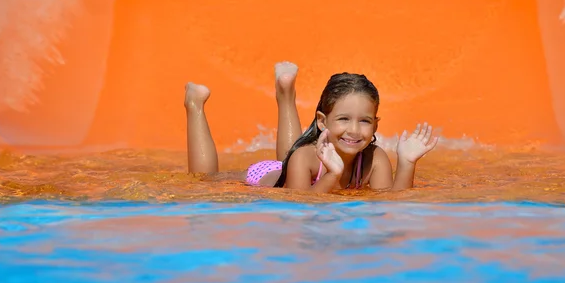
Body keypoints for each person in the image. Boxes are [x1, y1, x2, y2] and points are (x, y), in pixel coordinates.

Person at [184, 62, 438, 193]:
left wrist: (407, 163)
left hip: (298, 165)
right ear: (321, 121)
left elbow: (391, 204)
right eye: (343, 119)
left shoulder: (375, 158)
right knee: (204, 181)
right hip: (265, 176)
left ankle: (285, 92)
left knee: (293, 153)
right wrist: (331, 175)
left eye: (364, 121)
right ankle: (194, 104)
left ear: (376, 125)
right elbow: (301, 206)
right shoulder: (305, 157)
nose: (354, 130)